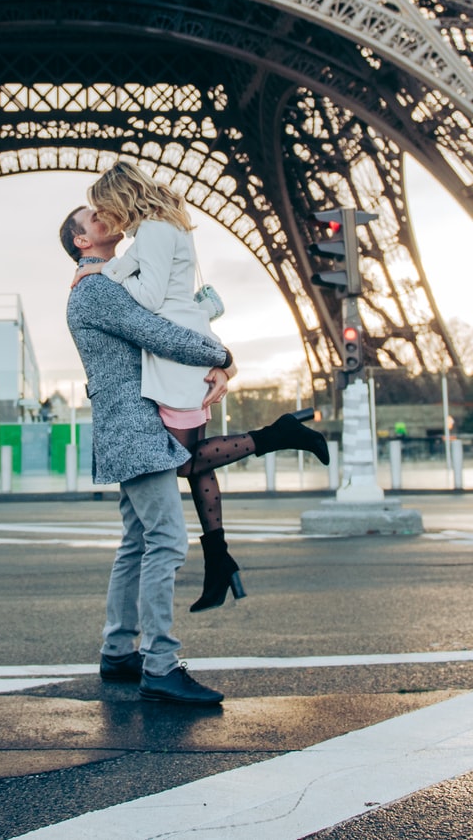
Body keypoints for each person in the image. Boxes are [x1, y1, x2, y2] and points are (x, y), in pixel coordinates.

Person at [70, 160, 327, 612]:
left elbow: (149, 305)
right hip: (182, 353)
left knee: (185, 461)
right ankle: (218, 558)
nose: (103, 213)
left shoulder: (149, 233)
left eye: (101, 205)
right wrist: (221, 357)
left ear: (119, 196)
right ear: (81, 239)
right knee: (191, 464)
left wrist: (98, 271)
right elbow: (159, 296)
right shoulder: (164, 227)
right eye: (94, 214)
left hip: (177, 359)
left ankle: (279, 434)